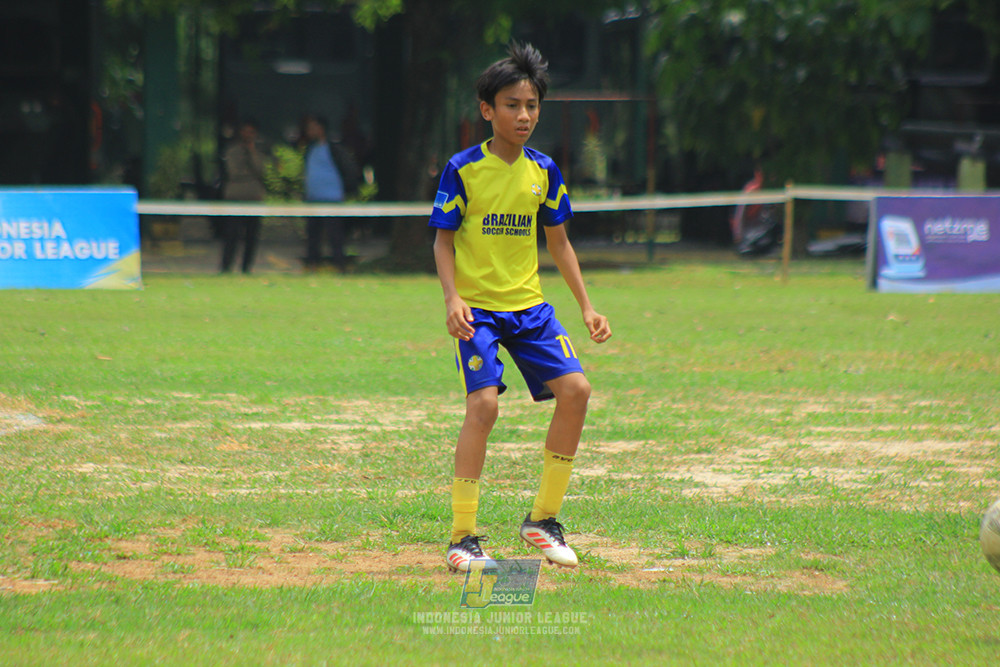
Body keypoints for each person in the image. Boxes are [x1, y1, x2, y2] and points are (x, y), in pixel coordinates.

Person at [428, 43, 612, 573]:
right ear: (488, 110)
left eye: (531, 105)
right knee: (483, 407)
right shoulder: (463, 169)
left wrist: (586, 306)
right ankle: (463, 537)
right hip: (478, 312)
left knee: (576, 391)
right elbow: (442, 241)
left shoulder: (544, 171)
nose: (524, 115)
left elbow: (559, 243)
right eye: (512, 105)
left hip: (529, 308)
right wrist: (453, 298)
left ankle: (542, 521)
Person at [302, 114, 359, 271]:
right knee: (313, 235)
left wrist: (347, 190)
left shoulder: (334, 149)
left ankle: (339, 266)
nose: (309, 131)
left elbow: (348, 170)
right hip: (313, 199)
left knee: (335, 236)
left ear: (321, 128)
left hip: (332, 199)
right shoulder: (309, 149)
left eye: (313, 127)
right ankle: (312, 266)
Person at [220, 118, 268, 273]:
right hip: (235, 198)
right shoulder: (232, 151)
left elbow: (261, 171)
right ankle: (226, 267)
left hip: (254, 199)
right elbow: (233, 172)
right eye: (245, 131)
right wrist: (249, 174)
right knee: (231, 235)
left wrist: (252, 153)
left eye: (251, 132)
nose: (248, 134)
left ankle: (246, 268)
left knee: (252, 236)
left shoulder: (259, 153)